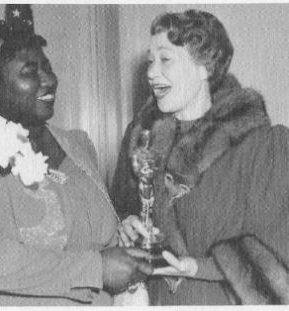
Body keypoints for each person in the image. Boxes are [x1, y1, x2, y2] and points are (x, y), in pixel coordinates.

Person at [0, 5, 153, 306]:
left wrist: (123, 235)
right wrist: (97, 268)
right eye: (30, 72)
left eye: (48, 68)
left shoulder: (76, 144)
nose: (49, 80)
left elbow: (90, 238)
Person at [111, 9, 289, 305]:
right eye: (150, 61)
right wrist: (124, 224)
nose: (152, 73)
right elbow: (119, 212)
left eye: (165, 59)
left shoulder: (260, 146)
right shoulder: (140, 141)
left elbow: (279, 249)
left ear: (205, 67)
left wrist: (199, 267)